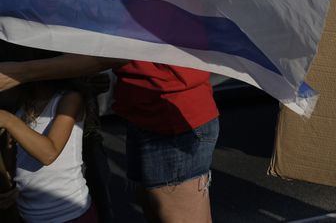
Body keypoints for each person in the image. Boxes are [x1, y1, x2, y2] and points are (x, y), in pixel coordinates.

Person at [0, 48, 218, 223]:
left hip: (171, 116)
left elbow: (113, 53)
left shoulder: (67, 99)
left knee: (176, 214)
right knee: (154, 207)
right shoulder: (26, 105)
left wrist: (21, 73)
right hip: (144, 113)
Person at [0, 50, 97, 223]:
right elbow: (15, 166)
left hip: (68, 214)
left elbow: (48, 153)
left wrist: (8, 120)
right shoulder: (23, 105)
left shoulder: (69, 99)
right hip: (28, 214)